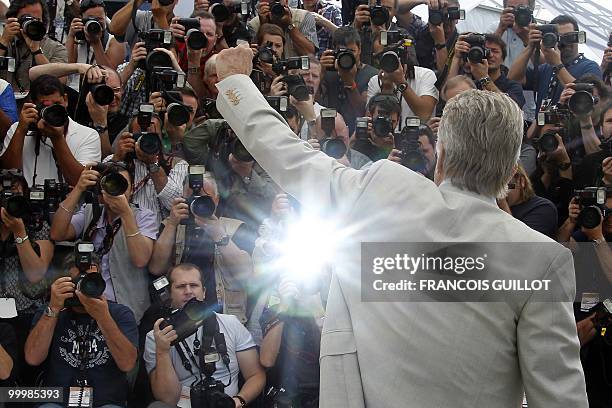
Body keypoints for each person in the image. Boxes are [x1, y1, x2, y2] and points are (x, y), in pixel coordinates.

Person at [213, 44, 588, 407]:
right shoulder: (541, 261)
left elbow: (287, 156)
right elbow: (560, 398)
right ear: (511, 171)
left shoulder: (381, 190)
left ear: (441, 155)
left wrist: (235, 83)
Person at [143, 263, 266, 408]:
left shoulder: (231, 323)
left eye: (194, 285)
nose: (188, 291)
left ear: (204, 291)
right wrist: (162, 351)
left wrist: (239, 401)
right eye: (181, 286)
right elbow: (167, 399)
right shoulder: (156, 336)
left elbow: (256, 375)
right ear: (169, 293)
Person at [24, 253, 138, 408]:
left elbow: (127, 364)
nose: (83, 288)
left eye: (89, 281)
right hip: (57, 401)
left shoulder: (119, 313)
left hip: (106, 401)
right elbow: (32, 358)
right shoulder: (50, 312)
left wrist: (103, 318)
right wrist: (53, 308)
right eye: (78, 281)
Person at [49, 162, 158, 322]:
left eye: (123, 185)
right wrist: (79, 188)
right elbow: (57, 233)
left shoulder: (144, 216)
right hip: (87, 307)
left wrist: (126, 213)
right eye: (112, 184)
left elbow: (140, 259)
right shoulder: (90, 211)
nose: (117, 191)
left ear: (132, 189)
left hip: (126, 310)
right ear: (101, 189)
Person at [0, 75, 101, 186]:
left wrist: (57, 138)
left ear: (66, 100)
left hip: (69, 202)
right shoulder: (17, 130)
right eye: (45, 106)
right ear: (32, 104)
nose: (53, 111)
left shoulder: (88, 135)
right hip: (24, 201)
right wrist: (21, 130)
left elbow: (80, 183)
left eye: (57, 104)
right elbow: (8, 176)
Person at [508, 15, 602, 111]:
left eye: (570, 37)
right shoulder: (545, 68)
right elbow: (513, 77)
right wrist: (531, 45)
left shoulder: (590, 67)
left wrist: (557, 65)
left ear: (578, 37)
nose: (564, 43)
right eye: (558, 38)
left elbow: (586, 97)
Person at [0, 0, 68, 99]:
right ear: (13, 19)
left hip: (38, 107)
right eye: (26, 18)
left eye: (36, 20)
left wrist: (37, 51)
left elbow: (60, 82)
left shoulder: (56, 48)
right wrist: (3, 43)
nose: (31, 23)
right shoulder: (4, 40)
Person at [448, 33, 525, 108]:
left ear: (503, 59)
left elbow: (511, 109)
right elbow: (449, 95)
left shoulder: (513, 86)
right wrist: (456, 57)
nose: (490, 55)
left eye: (495, 51)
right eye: (486, 51)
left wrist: (484, 79)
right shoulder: (470, 84)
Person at [65, 0, 126, 92]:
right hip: (75, 90)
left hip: (100, 91)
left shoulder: (115, 42)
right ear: (81, 18)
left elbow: (110, 74)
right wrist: (71, 36)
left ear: (105, 16)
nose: (95, 23)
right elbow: (67, 65)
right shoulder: (78, 37)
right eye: (90, 19)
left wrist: (96, 42)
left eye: (99, 19)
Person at [497, 164, 557, 238]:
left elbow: (521, 243)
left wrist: (502, 204)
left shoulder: (543, 208)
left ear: (521, 181)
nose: (499, 190)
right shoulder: (492, 207)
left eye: (506, 185)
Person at [248, 0, 318, 57]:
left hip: (297, 71)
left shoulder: (303, 17)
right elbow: (255, 56)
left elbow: (309, 55)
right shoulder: (254, 24)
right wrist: (264, 25)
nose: (276, 6)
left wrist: (290, 26)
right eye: (272, 3)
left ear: (286, 1)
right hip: (266, 71)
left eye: (278, 2)